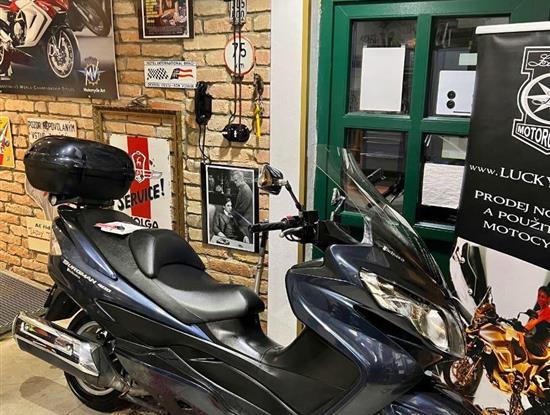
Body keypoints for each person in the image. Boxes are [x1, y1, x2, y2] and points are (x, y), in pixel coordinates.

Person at [523, 285, 550, 356]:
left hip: (538, 347)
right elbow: (527, 328)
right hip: (531, 341)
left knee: (514, 339)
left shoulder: (548, 311)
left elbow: (528, 326)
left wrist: (522, 330)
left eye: (543, 297)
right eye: (538, 296)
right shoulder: (537, 312)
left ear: (548, 299)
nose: (539, 298)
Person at [231, 170, 253, 241]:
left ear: (241, 179)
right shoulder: (242, 188)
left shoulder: (245, 190)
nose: (234, 182)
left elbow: (242, 209)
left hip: (245, 223)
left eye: (236, 180)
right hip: (243, 222)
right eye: (234, 180)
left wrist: (232, 214)